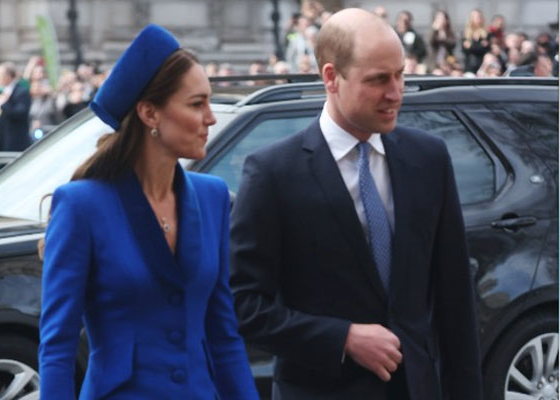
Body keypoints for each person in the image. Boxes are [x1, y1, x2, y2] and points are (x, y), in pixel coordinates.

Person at [230, 8, 483, 400]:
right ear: (331, 77)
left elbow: (455, 303)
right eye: (379, 79)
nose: (396, 93)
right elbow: (245, 306)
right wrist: (342, 338)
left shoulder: (428, 158)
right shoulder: (273, 173)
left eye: (400, 74)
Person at [38, 24, 259, 400]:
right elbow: (56, 349)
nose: (211, 117)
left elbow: (223, 334)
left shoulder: (213, 197)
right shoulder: (81, 205)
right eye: (196, 104)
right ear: (149, 114)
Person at [0, 61, 32, 151]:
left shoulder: (21, 92)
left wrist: (4, 105)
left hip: (15, 143)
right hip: (1, 141)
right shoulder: (1, 92)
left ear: (8, 76)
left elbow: (20, 113)